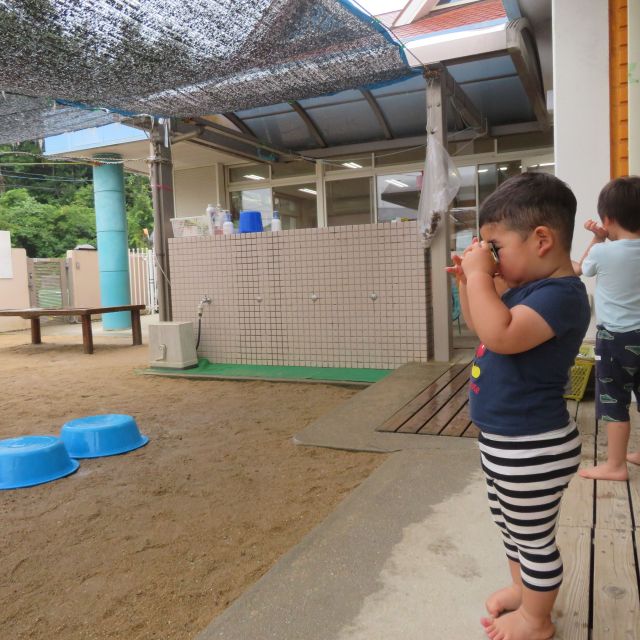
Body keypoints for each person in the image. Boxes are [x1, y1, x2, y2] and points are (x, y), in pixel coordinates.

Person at [450, 172, 590, 640]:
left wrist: (478, 276)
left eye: (496, 247)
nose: (490, 259)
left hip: (533, 446)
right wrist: (469, 287)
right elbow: (483, 326)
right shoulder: (529, 289)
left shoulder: (561, 296)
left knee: (533, 539)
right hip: (506, 440)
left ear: (542, 240)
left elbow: (502, 335)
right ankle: (523, 590)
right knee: (509, 527)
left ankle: (537, 618)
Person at [573, 175, 640, 481]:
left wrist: (598, 239)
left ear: (608, 219)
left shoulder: (603, 251)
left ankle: (615, 465)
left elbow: (580, 268)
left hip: (615, 340)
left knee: (615, 400)